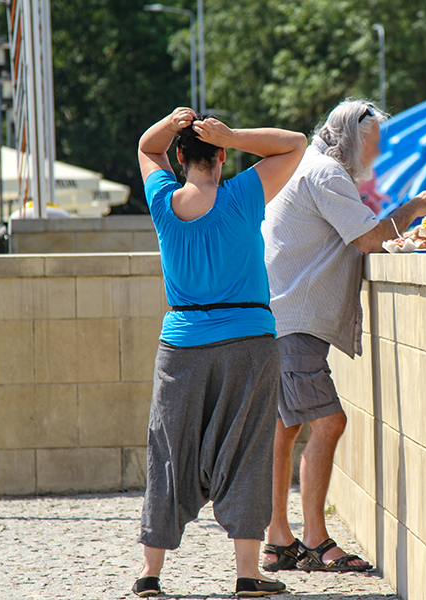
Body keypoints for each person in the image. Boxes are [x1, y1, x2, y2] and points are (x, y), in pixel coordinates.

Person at [261, 99, 426, 573]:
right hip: (294, 321)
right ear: (354, 138)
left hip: (279, 316)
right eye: (374, 143)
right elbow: (366, 239)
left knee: (286, 428)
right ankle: (317, 541)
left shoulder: (310, 167)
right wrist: (416, 209)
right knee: (329, 422)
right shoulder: (325, 174)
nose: (377, 153)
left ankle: (277, 539)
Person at [133, 107, 307, 598]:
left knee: (169, 452)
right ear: (223, 155)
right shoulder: (242, 196)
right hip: (248, 339)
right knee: (249, 449)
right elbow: (295, 142)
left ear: (181, 157)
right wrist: (234, 132)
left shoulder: (163, 202)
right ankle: (247, 575)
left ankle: (150, 575)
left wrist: (169, 123)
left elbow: (148, 148)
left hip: (181, 343)